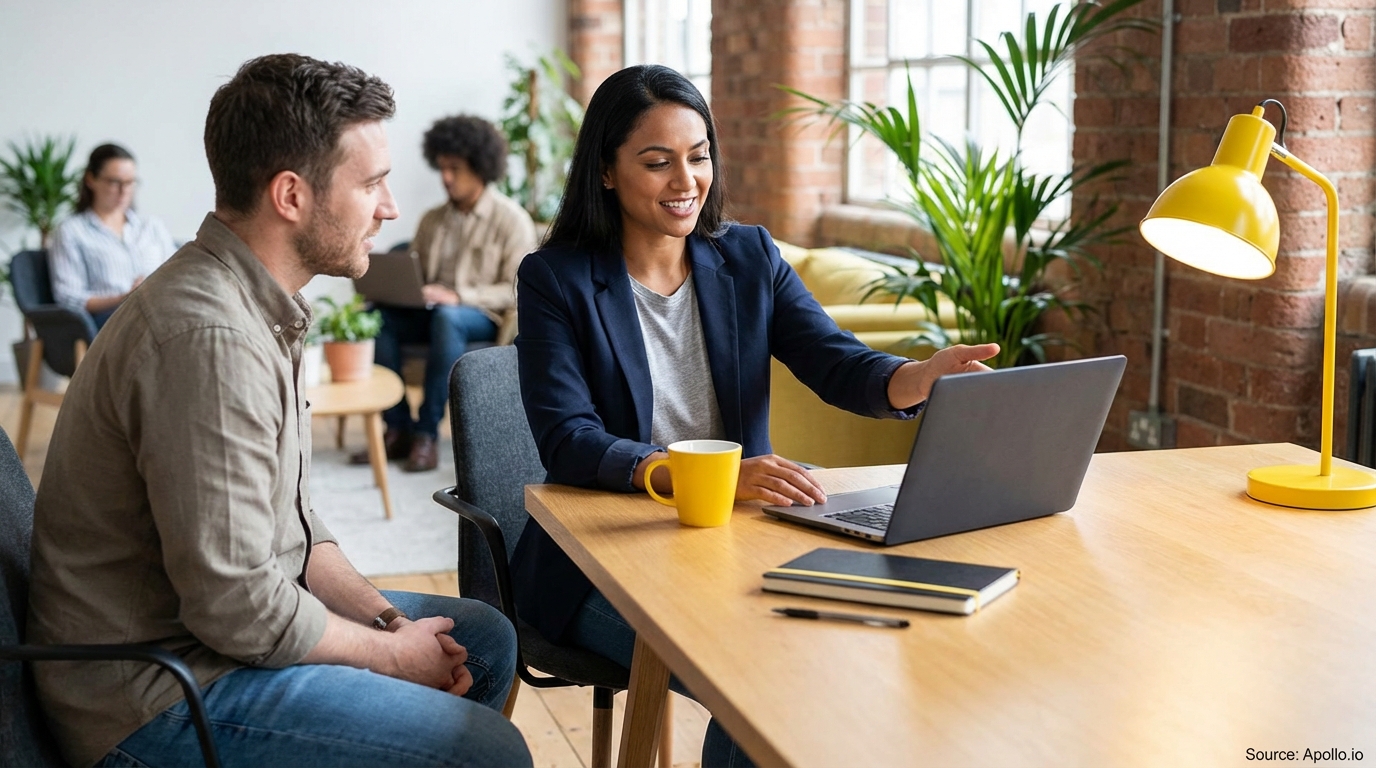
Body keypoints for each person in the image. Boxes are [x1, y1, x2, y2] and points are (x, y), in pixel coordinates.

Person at [26, 54, 531, 768]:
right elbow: (238, 606)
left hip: (208, 636)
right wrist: (391, 657)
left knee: (482, 638)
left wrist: (386, 621)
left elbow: (297, 527)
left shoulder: (256, 305)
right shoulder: (209, 337)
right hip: (156, 694)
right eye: (373, 184)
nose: (389, 209)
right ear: (291, 195)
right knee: (486, 750)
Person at [512, 64, 999, 767]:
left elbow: (836, 362)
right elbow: (568, 440)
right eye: (657, 162)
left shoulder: (747, 256)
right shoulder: (555, 278)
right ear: (607, 172)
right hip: (604, 560)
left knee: (840, 657)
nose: (686, 181)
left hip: (738, 546)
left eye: (698, 155)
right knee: (759, 680)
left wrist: (916, 377)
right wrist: (708, 479)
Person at [365, 114, 537, 472]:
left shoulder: (511, 220)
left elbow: (518, 290)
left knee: (448, 319)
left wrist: (459, 296)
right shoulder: (432, 219)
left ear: (480, 166)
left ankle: (426, 433)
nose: (446, 177)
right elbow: (417, 275)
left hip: (481, 317)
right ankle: (397, 429)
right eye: (442, 167)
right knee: (376, 319)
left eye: (455, 168)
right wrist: (407, 289)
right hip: (433, 311)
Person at [48, 143, 177, 329]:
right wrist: (125, 298)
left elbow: (176, 273)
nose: (124, 190)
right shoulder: (72, 231)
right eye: (115, 182)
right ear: (91, 180)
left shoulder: (151, 227)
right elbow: (69, 297)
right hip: (109, 320)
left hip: (163, 310)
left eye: (130, 182)